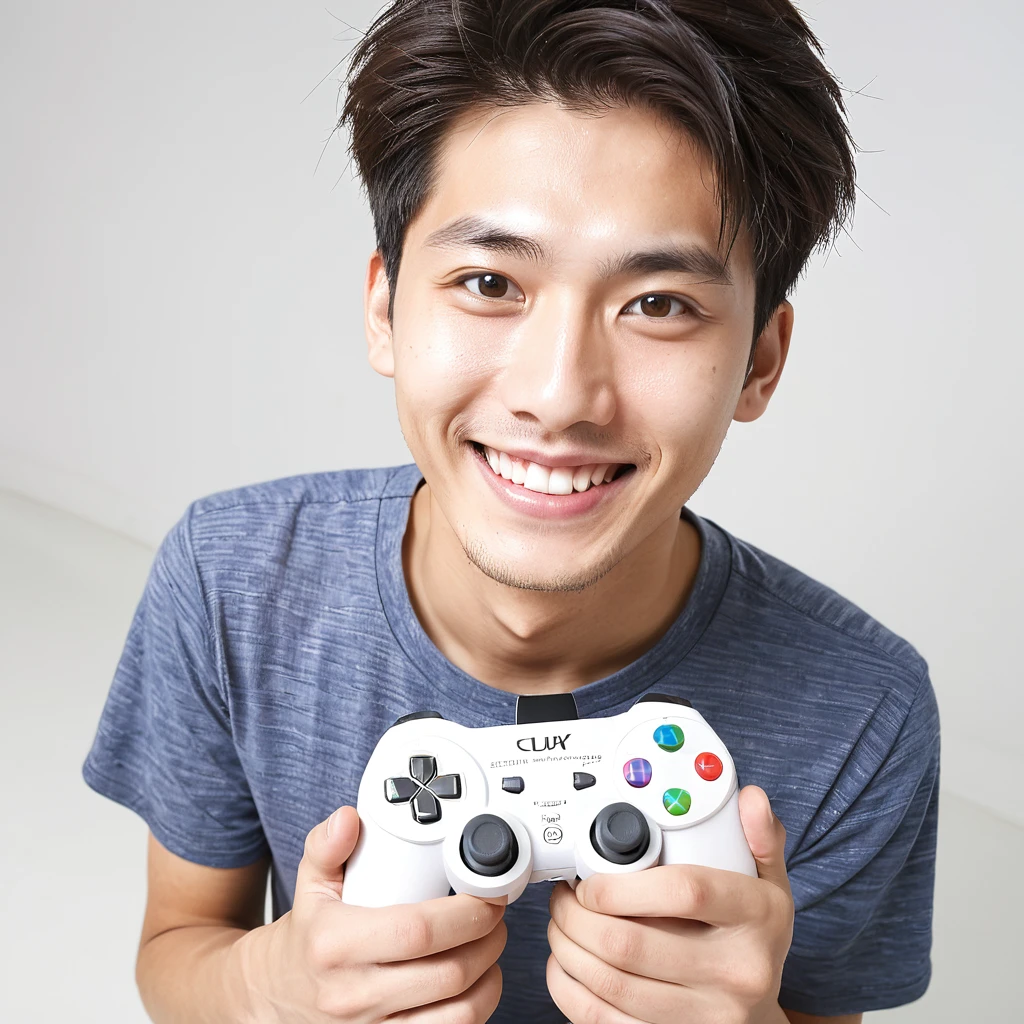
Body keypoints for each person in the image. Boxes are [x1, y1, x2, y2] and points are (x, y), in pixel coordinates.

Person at [83, 1, 941, 1022]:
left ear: (759, 360)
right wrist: (273, 989)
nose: (560, 393)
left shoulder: (863, 711)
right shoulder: (229, 579)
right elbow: (177, 950)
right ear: (384, 308)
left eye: (657, 303)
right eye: (489, 280)